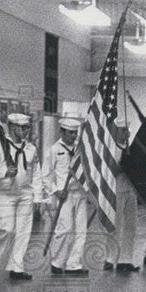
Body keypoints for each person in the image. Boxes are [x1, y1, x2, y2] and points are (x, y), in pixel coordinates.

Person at [0, 113, 43, 281]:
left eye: (27, 128)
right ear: (11, 127)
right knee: (6, 228)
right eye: (22, 128)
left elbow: (36, 173)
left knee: (23, 232)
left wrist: (37, 197)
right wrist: (4, 172)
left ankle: (17, 268)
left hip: (25, 193)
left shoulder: (30, 149)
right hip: (5, 194)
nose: (25, 131)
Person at [46, 117, 88, 276]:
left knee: (81, 231)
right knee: (64, 229)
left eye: (75, 132)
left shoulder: (81, 149)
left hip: (80, 193)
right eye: (70, 132)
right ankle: (57, 262)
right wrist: (56, 190)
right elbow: (46, 175)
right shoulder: (54, 150)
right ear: (62, 131)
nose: (74, 136)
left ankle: (74, 264)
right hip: (64, 195)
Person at [105, 118, 140, 273]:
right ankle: (110, 258)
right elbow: (109, 170)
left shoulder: (131, 148)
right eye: (123, 130)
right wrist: (123, 164)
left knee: (131, 226)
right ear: (116, 131)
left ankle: (126, 259)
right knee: (115, 226)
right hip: (116, 189)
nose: (126, 133)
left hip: (131, 190)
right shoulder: (111, 148)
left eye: (128, 130)